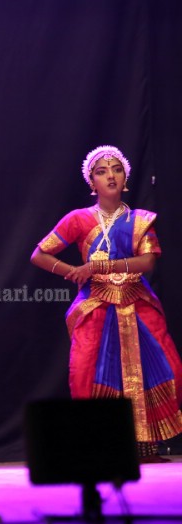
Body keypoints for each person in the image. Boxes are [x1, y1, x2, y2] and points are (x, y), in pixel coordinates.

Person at [31, 145, 182, 462]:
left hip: (137, 301)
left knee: (164, 367)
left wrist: (98, 267)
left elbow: (146, 263)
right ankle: (100, 442)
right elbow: (39, 254)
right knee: (86, 371)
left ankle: (144, 442)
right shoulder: (79, 220)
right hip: (95, 302)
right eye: (101, 171)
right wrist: (71, 272)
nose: (110, 175)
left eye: (116, 169)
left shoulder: (140, 220)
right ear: (91, 182)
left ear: (125, 177)